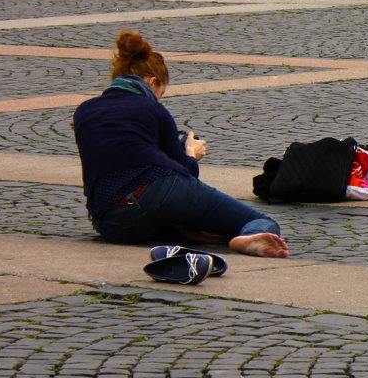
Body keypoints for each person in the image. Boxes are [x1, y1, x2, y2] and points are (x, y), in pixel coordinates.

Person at [73, 30, 289, 258]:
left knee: (164, 220)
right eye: (161, 92)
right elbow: (185, 171)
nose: (160, 98)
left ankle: (191, 232)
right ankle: (249, 237)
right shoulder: (153, 109)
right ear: (153, 82)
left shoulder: (84, 112)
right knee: (259, 219)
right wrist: (192, 153)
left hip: (113, 221)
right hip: (158, 190)